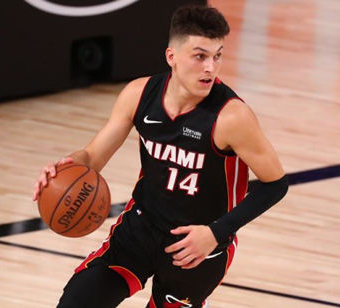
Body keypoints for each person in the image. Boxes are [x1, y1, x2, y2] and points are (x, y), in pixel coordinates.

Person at [33, 5, 288, 308]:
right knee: (76, 302)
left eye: (217, 55)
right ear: (172, 57)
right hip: (140, 229)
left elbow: (275, 184)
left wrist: (215, 233)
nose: (211, 67)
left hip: (197, 249)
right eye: (200, 56)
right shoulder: (139, 94)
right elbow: (91, 156)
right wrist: (65, 168)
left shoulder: (231, 117)